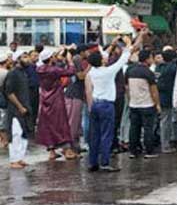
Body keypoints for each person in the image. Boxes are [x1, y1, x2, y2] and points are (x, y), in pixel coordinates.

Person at [86, 34, 141, 172]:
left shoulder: (92, 71)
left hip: (95, 104)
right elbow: (123, 59)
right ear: (102, 61)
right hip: (106, 105)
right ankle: (104, 162)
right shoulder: (108, 72)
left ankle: (93, 162)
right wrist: (128, 44)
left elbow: (102, 56)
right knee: (106, 134)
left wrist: (112, 44)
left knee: (95, 135)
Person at [35, 47, 79, 160]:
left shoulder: (39, 69)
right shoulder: (53, 70)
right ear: (50, 58)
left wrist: (61, 51)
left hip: (45, 99)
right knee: (61, 123)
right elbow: (71, 71)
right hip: (56, 99)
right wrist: (69, 61)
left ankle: (52, 151)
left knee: (48, 125)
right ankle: (67, 150)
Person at [126, 49, 160, 159]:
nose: (152, 59)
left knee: (134, 128)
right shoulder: (148, 72)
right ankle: (149, 151)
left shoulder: (129, 70)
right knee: (148, 128)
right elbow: (153, 90)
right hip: (147, 104)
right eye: (151, 57)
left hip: (133, 103)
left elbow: (126, 87)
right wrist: (157, 104)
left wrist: (130, 98)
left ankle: (133, 150)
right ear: (147, 59)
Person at [4, 49, 34, 169]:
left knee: (23, 133)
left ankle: (20, 158)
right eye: (25, 57)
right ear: (18, 59)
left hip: (25, 108)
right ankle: (14, 160)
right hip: (15, 110)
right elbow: (9, 92)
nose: (28, 59)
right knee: (16, 134)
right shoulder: (13, 73)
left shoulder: (24, 73)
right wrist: (20, 106)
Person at [156, 48, 177, 153]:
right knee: (166, 121)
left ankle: (165, 141)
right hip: (169, 97)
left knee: (164, 120)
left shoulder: (158, 67)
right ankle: (165, 144)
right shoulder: (173, 68)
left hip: (159, 96)